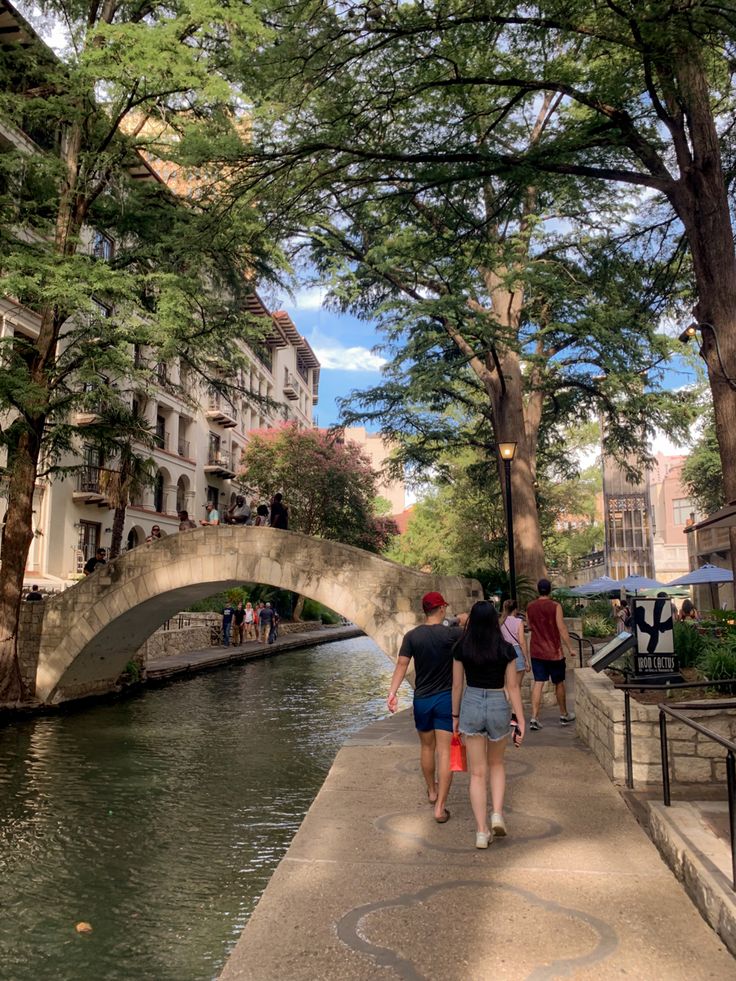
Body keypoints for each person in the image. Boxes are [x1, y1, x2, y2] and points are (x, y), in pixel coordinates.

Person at [387, 591, 465, 825]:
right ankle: (440, 807)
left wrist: (392, 693)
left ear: (424, 611)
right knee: (445, 752)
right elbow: (475, 628)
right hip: (445, 699)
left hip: (422, 699)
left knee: (426, 747)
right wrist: (461, 619)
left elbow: (402, 664)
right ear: (441, 609)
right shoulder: (452, 634)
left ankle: (431, 790)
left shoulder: (412, 636)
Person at [452, 601, 525, 848]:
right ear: (495, 621)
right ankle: (497, 813)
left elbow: (457, 686)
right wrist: (520, 719)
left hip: (471, 702)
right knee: (497, 764)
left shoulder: (462, 647)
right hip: (497, 703)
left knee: (477, 772)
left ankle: (481, 832)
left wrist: (454, 717)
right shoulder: (506, 649)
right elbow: (513, 687)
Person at [525, 578, 576, 730]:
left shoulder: (530, 606)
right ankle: (563, 714)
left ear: (537, 590)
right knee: (559, 682)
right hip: (554, 651)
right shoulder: (555, 606)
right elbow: (561, 628)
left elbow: (529, 626)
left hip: (537, 650)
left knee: (538, 682)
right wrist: (571, 647)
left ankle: (534, 717)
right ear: (550, 590)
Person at [500, 599, 530, 677]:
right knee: (516, 686)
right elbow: (522, 642)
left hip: (504, 653)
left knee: (508, 685)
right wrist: (526, 660)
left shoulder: (501, 622)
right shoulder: (519, 622)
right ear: (515, 609)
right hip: (516, 652)